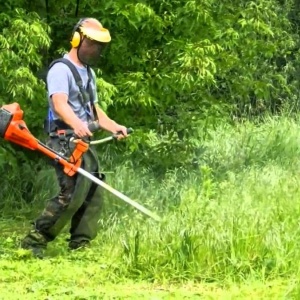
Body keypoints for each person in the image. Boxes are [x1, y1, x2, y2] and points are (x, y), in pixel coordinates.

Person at [21, 18, 128, 257]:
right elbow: (59, 104)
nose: (98, 50)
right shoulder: (61, 69)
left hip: (82, 141)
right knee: (71, 195)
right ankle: (34, 241)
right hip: (64, 140)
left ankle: (81, 244)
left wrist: (114, 127)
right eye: (93, 44)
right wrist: (77, 124)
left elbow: (95, 111)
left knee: (92, 192)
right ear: (78, 39)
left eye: (101, 46)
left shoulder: (88, 73)